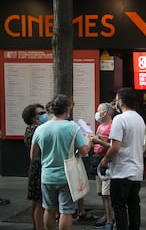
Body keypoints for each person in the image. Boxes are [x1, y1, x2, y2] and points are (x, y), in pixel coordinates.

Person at [30, 94, 92, 230]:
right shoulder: (72, 128)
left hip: (47, 176)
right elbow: (83, 152)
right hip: (67, 177)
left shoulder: (40, 129)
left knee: (49, 209)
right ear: (67, 109)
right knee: (66, 211)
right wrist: (89, 142)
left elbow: (33, 155)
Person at [100, 87, 146, 230]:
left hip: (122, 171)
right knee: (133, 204)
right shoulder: (139, 119)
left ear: (120, 101)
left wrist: (105, 160)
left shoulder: (119, 119)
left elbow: (115, 147)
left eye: (116, 100)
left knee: (119, 207)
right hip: (137, 170)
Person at [22, 103, 48, 230]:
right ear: (33, 118)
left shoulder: (31, 129)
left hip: (35, 167)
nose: (44, 115)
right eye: (40, 113)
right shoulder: (36, 130)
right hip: (39, 168)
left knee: (36, 201)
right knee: (39, 203)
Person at [91, 103, 114, 229]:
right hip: (97, 160)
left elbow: (112, 145)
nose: (98, 113)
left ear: (106, 113)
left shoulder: (112, 126)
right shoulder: (100, 126)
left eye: (100, 111)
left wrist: (98, 140)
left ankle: (110, 220)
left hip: (106, 162)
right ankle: (107, 215)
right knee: (101, 192)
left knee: (107, 193)